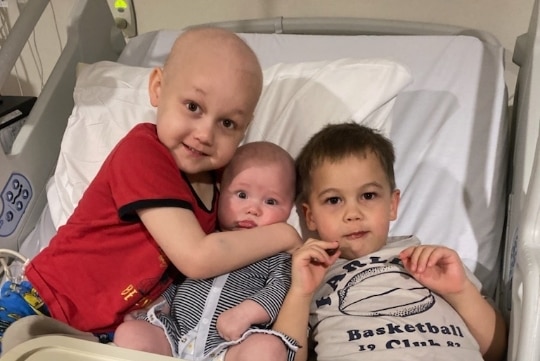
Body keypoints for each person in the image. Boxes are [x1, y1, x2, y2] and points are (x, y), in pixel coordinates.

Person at [0, 27, 302, 351]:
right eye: (193, 107)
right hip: (45, 301)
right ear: (158, 87)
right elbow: (197, 258)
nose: (204, 133)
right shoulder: (144, 153)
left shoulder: (223, 186)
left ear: (244, 130)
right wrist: (285, 235)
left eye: (227, 123)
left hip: (105, 334)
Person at [272, 123, 508, 361]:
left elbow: (497, 350)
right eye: (333, 200)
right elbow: (284, 356)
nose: (353, 214)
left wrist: (460, 291)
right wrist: (301, 293)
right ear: (310, 216)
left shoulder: (433, 261)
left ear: (392, 204)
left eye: (368, 196)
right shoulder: (309, 272)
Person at [113, 141, 297, 361]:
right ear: (220, 192)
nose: (253, 209)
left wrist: (247, 313)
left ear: (290, 209)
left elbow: (280, 289)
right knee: (130, 333)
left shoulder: (276, 255)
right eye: (241, 195)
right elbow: (177, 281)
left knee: (267, 348)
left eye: (271, 201)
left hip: (231, 345)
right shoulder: (203, 238)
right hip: (176, 338)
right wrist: (159, 305)